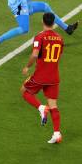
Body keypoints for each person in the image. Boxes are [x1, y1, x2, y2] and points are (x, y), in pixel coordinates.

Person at [21, 12, 64, 144]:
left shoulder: (40, 37)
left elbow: (34, 55)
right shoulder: (60, 38)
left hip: (41, 75)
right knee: (53, 105)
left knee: (24, 90)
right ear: (53, 22)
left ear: (42, 21)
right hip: (54, 76)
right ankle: (57, 133)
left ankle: (41, 108)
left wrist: (27, 67)